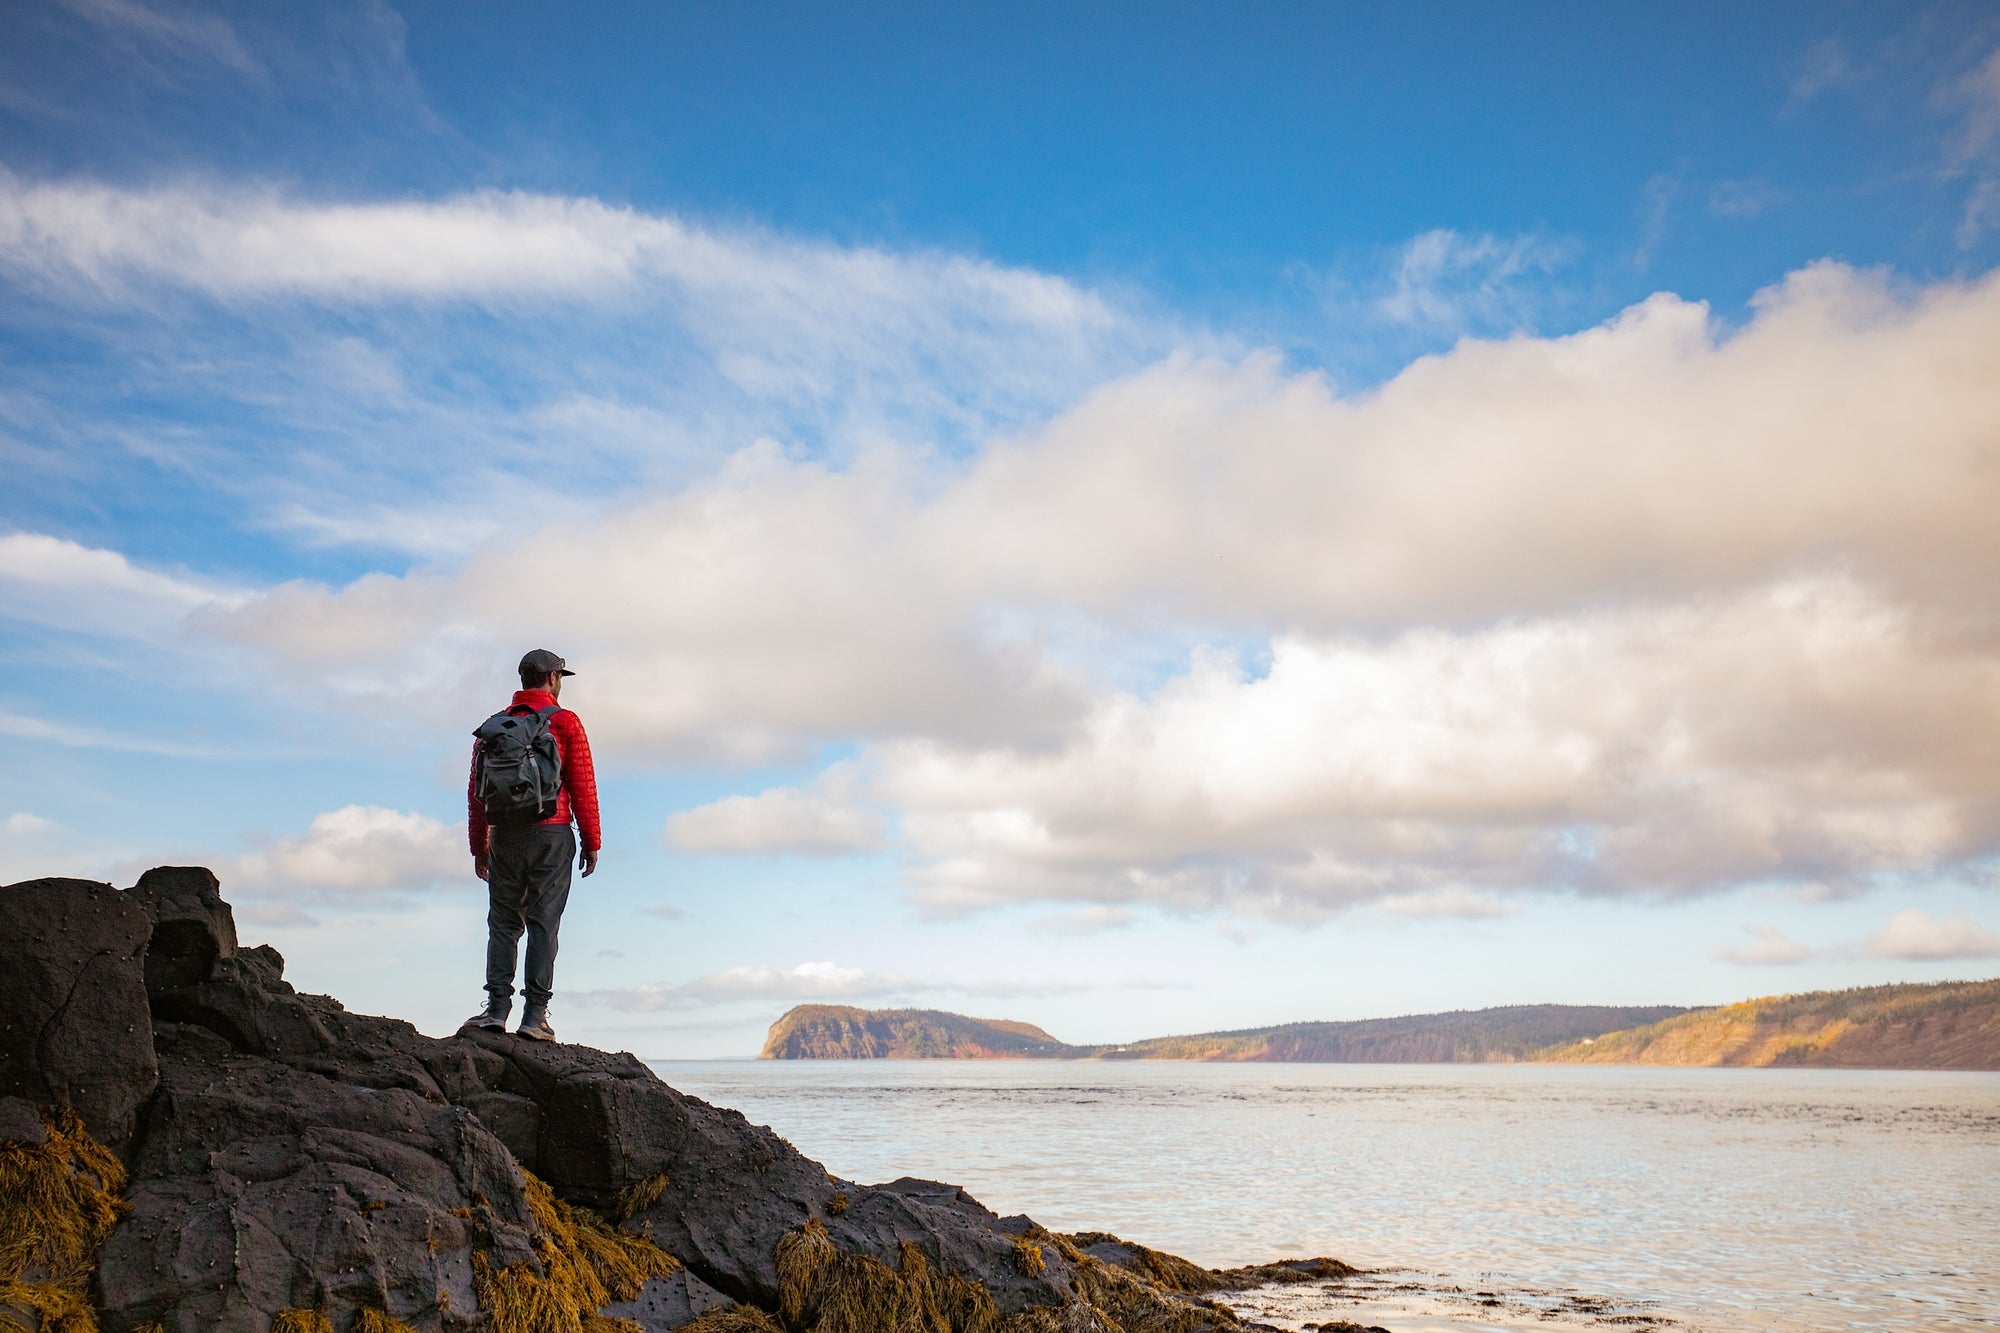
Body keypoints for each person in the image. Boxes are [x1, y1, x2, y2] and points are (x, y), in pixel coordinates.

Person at [463, 649, 601, 1042]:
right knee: (544, 924)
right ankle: (535, 1017)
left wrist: (480, 846)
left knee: (503, 925)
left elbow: (477, 793)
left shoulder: (494, 728)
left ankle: (495, 1011)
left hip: (504, 835)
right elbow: (583, 785)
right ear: (554, 679)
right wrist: (592, 841)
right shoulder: (566, 722)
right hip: (552, 835)